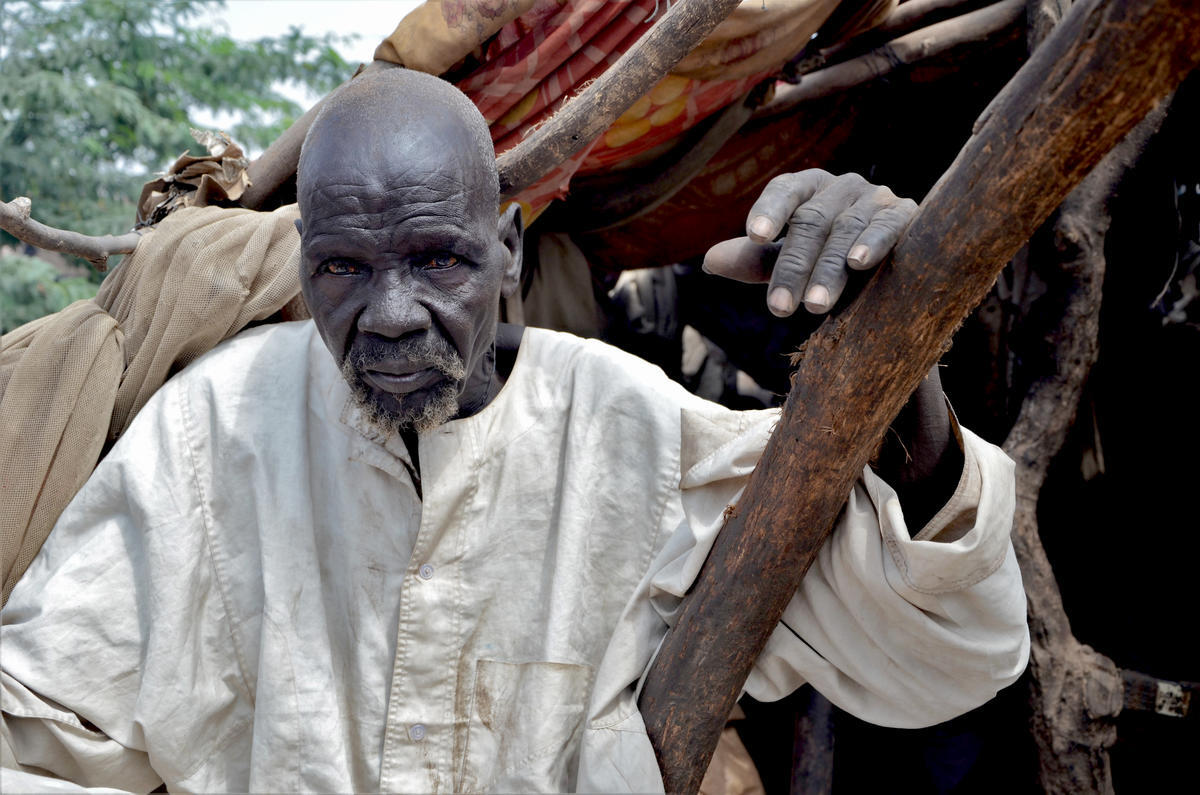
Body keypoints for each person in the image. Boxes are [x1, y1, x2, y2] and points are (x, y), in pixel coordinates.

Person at [0, 68, 1028, 794]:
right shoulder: (210, 432)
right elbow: (43, 733)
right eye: (345, 269)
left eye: (438, 259)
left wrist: (898, 374)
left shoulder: (642, 436)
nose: (391, 312)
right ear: (303, 260)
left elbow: (948, 657)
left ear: (505, 251)